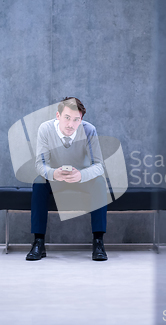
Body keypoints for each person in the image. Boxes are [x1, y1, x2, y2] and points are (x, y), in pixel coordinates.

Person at [26, 97, 108, 261]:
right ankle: (38, 242)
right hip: (55, 177)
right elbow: (40, 164)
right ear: (58, 116)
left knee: (99, 182)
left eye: (76, 119)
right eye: (67, 118)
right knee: (39, 182)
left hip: (80, 178)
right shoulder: (46, 129)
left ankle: (98, 242)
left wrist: (81, 175)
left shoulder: (89, 130)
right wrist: (54, 174)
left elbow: (99, 165)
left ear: (81, 120)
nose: (71, 124)